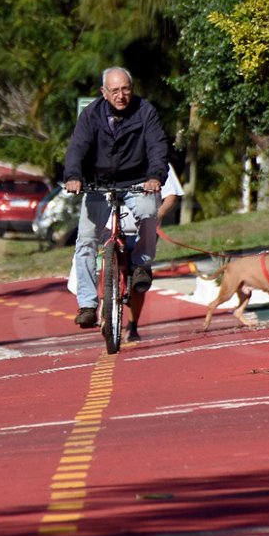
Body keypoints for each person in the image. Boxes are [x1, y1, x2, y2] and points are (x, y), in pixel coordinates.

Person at [64, 66, 170, 334]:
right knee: (86, 240)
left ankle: (141, 265)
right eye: (115, 91)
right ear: (104, 92)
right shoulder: (91, 115)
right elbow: (77, 147)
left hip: (137, 183)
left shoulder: (145, 111)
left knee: (148, 213)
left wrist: (155, 176)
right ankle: (87, 305)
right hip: (99, 185)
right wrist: (74, 176)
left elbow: (158, 147)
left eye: (126, 89)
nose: (121, 95)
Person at [126, 165, 184, 341]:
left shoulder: (157, 159)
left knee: (139, 275)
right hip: (112, 229)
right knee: (103, 267)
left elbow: (171, 195)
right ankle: (105, 309)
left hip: (143, 230)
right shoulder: (107, 155)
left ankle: (132, 325)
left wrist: (157, 215)